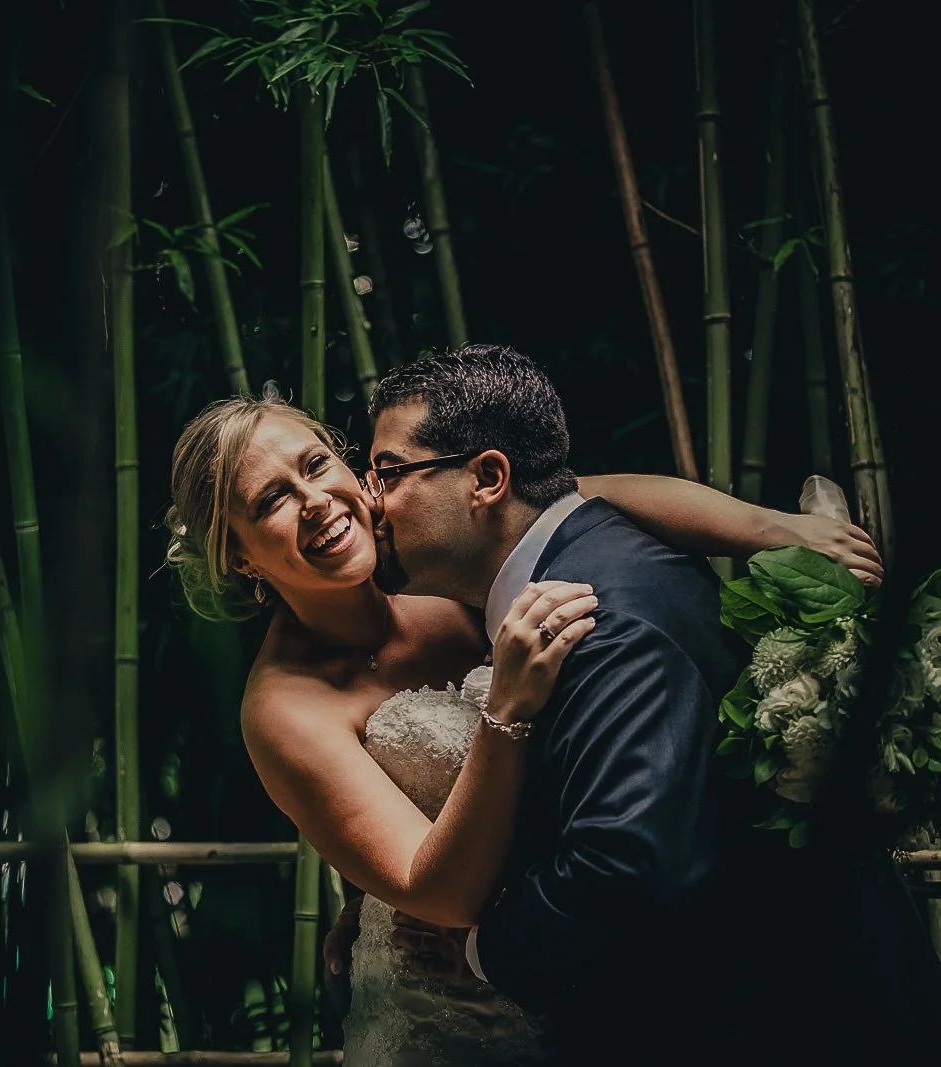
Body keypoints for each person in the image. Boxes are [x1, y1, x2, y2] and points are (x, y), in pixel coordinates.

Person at [164, 374, 883, 1066]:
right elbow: (437, 890)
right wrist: (503, 712)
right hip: (449, 991)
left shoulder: (424, 551)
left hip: (574, 941)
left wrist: (777, 531)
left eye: (317, 464)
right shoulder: (283, 705)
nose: (316, 500)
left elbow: (572, 499)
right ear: (240, 559)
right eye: (271, 502)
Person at [359, 344, 877, 1063]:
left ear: (486, 478)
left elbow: (625, 865)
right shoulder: (580, 564)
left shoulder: (599, 618)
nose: (371, 500)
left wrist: (482, 952)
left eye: (389, 471)